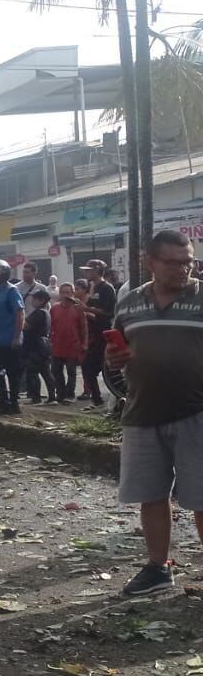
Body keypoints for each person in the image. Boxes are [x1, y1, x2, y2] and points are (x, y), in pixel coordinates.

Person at [106, 230, 203, 597]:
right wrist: (113, 358)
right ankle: (157, 567)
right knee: (152, 494)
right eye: (174, 262)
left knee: (202, 498)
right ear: (151, 263)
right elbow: (116, 352)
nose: (184, 269)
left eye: (188, 261)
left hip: (197, 411)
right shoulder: (129, 303)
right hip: (143, 412)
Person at [0, 258, 24, 414]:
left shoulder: (12, 291)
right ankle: (3, 399)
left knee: (13, 373)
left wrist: (17, 336)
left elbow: (20, 314)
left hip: (10, 340)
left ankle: (14, 403)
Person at [80, 259, 117, 408]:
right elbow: (92, 312)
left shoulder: (107, 288)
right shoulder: (92, 287)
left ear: (97, 270)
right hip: (94, 334)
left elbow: (108, 313)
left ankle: (117, 400)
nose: (86, 273)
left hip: (105, 334)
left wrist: (87, 309)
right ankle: (97, 401)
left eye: (89, 270)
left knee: (110, 370)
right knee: (88, 368)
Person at [49, 282, 87, 403]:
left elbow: (84, 327)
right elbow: (51, 326)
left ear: (72, 293)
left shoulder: (78, 308)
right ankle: (60, 394)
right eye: (63, 292)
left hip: (72, 345)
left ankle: (69, 394)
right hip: (57, 345)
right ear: (59, 294)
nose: (66, 295)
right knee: (56, 371)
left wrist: (84, 343)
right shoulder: (54, 308)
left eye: (68, 292)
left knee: (71, 372)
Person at [22, 289, 56, 404]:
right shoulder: (46, 312)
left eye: (35, 299)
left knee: (33, 372)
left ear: (42, 300)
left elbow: (26, 326)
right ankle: (52, 397)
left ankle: (36, 397)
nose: (33, 301)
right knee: (46, 372)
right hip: (44, 345)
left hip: (36, 346)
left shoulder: (39, 313)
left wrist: (19, 319)